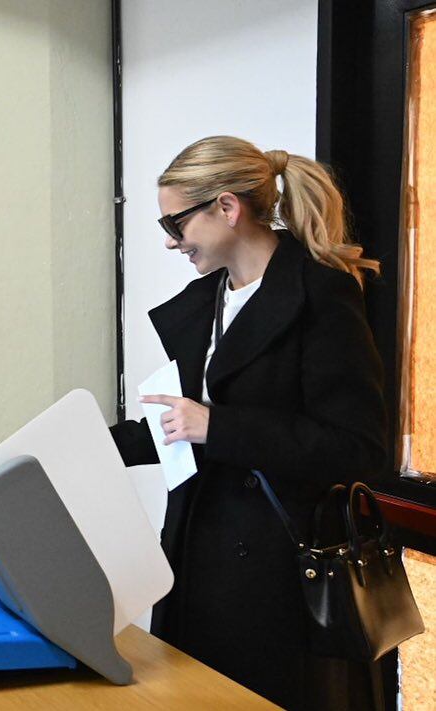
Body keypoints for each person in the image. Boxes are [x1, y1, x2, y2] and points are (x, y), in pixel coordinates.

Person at [110, 136, 387, 710]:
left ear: (228, 208)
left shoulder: (321, 295)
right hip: (194, 554)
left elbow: (356, 448)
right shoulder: (207, 300)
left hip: (276, 575)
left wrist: (221, 427)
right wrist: (79, 446)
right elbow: (182, 425)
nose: (170, 241)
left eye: (176, 222)